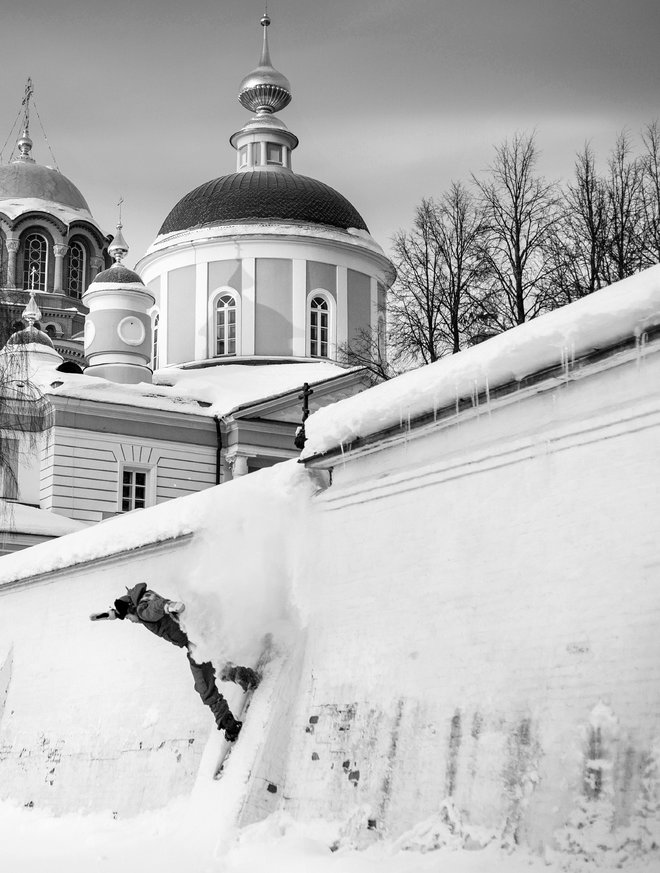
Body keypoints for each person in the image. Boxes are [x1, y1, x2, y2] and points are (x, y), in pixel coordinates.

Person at [90, 582, 259, 742]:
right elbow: (132, 607)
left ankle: (228, 723)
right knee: (218, 667)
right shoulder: (143, 598)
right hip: (199, 634)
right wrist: (108, 615)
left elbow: (154, 609)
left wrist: (168, 606)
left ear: (131, 609)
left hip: (194, 643)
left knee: (204, 686)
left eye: (128, 618)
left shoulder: (142, 610)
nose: (131, 621)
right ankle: (246, 677)